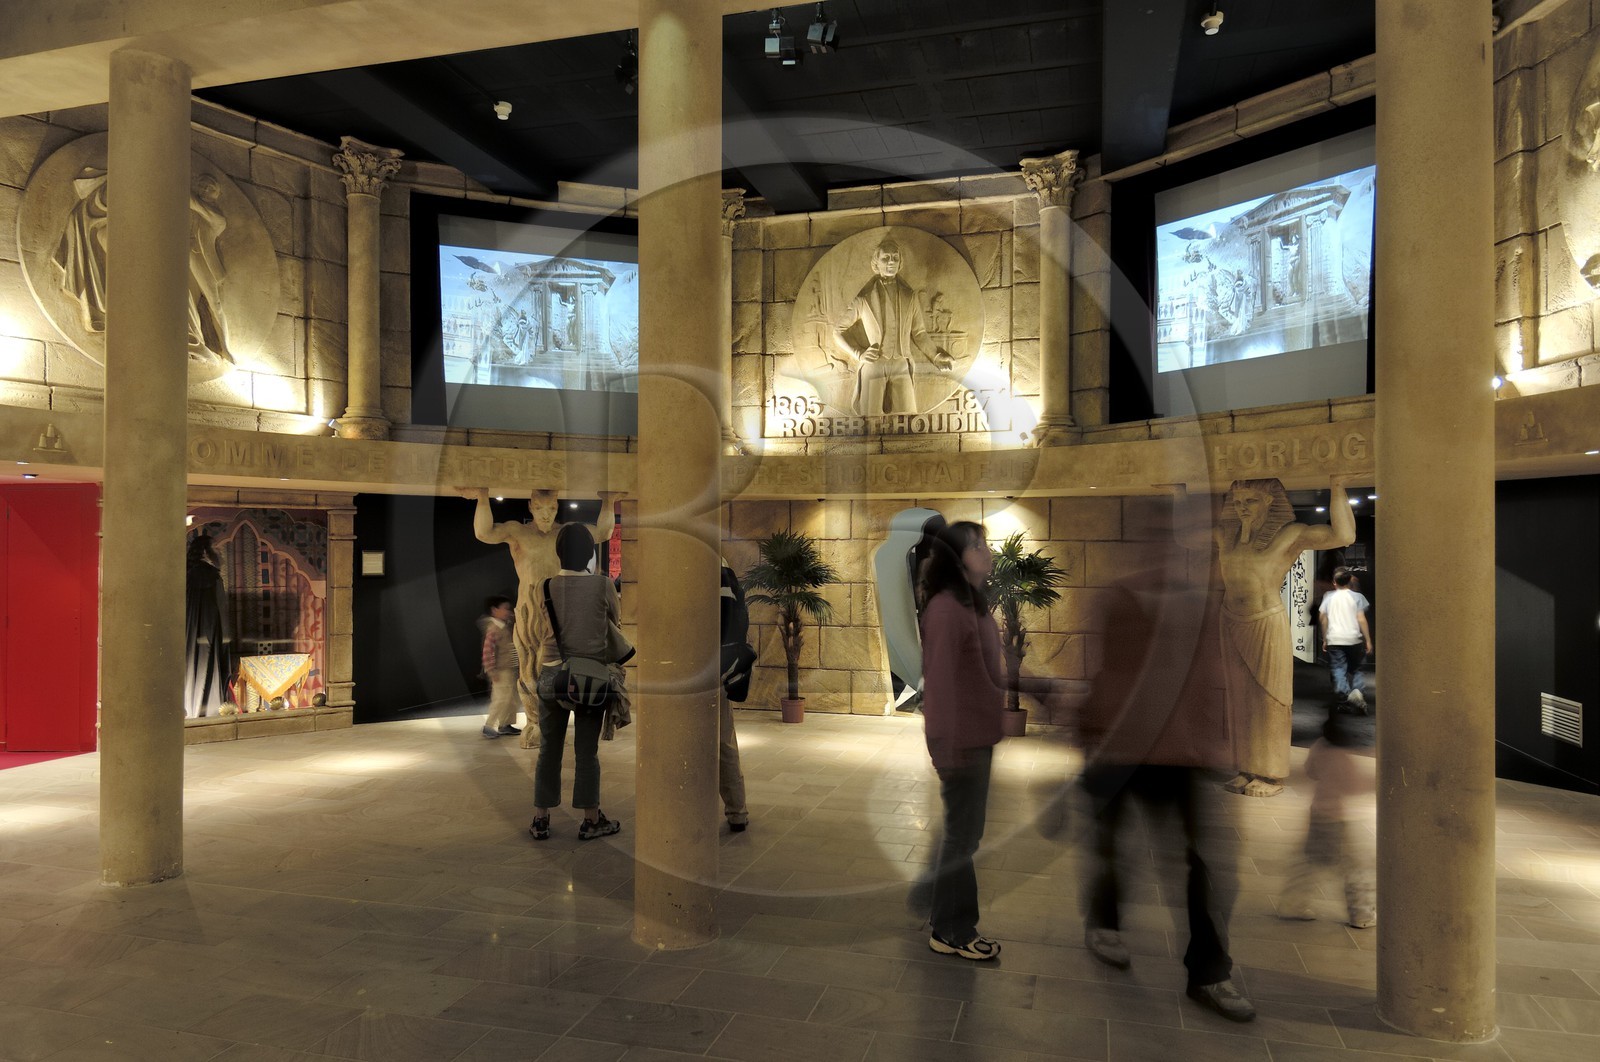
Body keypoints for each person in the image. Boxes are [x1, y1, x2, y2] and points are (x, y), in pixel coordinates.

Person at [1076, 555, 1256, 1022]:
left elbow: (1215, 676)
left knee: (1207, 865)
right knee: (1115, 848)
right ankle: (1105, 922)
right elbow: (1106, 674)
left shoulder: (1197, 604)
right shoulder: (1121, 598)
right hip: (1124, 748)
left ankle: (1209, 972)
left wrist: (1219, 740)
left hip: (1180, 753)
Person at [1178, 476, 1356, 797]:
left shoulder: (1289, 534)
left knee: (1269, 699)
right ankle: (1246, 768)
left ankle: (1271, 775)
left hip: (1265, 621)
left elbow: (1343, 535)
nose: (1243, 508)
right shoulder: (1226, 535)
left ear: (1270, 502)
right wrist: (1181, 494)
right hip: (1230, 618)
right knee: (1239, 698)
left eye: (1252, 501)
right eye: (1238, 501)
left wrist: (1337, 485)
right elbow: (1184, 538)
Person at [462, 486, 620, 748]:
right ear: (530, 507)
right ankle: (535, 721)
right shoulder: (518, 532)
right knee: (528, 666)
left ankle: (556, 717)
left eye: (552, 509)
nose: (546, 515)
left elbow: (603, 532)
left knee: (560, 666)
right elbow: (484, 532)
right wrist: (482, 498)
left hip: (559, 609)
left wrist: (609, 501)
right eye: (540, 508)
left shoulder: (566, 531)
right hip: (528, 610)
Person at [917, 520, 1006, 960]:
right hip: (962, 742)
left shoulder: (973, 605)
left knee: (961, 836)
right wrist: (947, 750)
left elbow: (984, 672)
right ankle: (953, 929)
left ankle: (942, 918)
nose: (986, 552)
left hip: (978, 735)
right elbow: (942, 686)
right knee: (961, 840)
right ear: (957, 560)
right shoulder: (948, 610)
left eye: (984, 543)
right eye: (976, 546)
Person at [528, 522, 630, 841]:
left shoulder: (543, 587)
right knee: (587, 752)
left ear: (558, 553)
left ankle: (541, 818)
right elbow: (614, 620)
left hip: (550, 676)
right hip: (589, 677)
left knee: (549, 747)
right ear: (589, 554)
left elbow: (538, 627)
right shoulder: (602, 585)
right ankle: (590, 818)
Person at [829, 239, 953, 416]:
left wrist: (936, 356)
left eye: (895, 258)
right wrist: (858, 354)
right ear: (876, 263)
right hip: (874, 365)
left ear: (900, 262)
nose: (891, 262)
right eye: (886, 258)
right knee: (870, 423)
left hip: (901, 363)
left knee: (908, 420)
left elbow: (919, 333)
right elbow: (838, 331)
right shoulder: (864, 298)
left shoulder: (909, 296)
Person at [1279, 710, 1377, 929]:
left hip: (1317, 814)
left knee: (1309, 862)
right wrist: (1374, 783)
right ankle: (1361, 914)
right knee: (1353, 868)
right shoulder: (1344, 758)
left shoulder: (1319, 746)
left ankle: (1293, 904)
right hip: (1339, 819)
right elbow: (1353, 787)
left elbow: (1310, 771)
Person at [718, 558, 753, 832]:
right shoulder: (726, 571)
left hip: (689, 671)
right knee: (724, 743)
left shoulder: (688, 569)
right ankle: (737, 811)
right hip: (718, 671)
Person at [184, 532, 234, 719]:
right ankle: (208, 709)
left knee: (192, 665)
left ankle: (191, 706)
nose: (220, 554)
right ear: (206, 553)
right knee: (207, 665)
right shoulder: (210, 576)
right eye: (217, 549)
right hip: (208, 629)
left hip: (191, 632)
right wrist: (226, 635)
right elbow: (220, 607)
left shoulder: (188, 573)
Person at [1318, 566, 1373, 712]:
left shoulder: (1328, 597)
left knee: (1338, 669)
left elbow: (1323, 618)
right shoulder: (1357, 597)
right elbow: (1361, 619)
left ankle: (1344, 696)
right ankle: (1357, 692)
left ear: (1334, 582)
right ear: (1350, 581)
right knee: (1356, 668)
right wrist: (1367, 639)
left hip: (1335, 639)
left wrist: (1325, 638)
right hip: (1354, 639)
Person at [478, 595, 520, 739]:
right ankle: (488, 726)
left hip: (510, 668)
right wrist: (491, 671)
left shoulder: (505, 625)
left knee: (511, 699)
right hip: (500, 671)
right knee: (501, 699)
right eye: (505, 608)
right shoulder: (494, 629)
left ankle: (505, 724)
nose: (508, 611)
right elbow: (488, 651)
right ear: (494, 610)